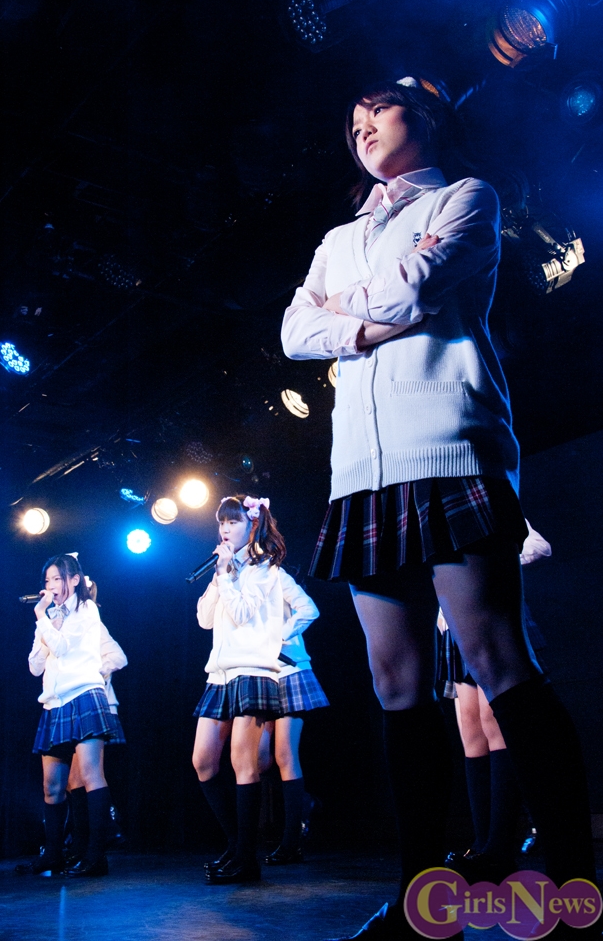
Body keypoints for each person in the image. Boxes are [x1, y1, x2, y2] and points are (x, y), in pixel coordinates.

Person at [281, 78, 597, 939]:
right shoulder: (337, 238)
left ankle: (575, 890)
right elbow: (292, 332)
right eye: (351, 120)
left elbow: (414, 289)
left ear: (423, 119)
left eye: (376, 111)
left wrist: (346, 311)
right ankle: (424, 901)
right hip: (360, 473)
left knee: (497, 660)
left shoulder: (466, 197)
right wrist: (360, 314)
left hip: (452, 449)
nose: (361, 128)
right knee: (394, 683)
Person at [192, 494, 325, 884]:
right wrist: (219, 576)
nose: (224, 529)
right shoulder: (226, 569)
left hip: (253, 671)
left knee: (248, 763)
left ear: (251, 526)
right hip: (220, 675)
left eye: (232, 522)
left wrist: (277, 639)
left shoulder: (265, 568)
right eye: (221, 522)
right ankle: (237, 845)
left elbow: (244, 612)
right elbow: (204, 619)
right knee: (203, 762)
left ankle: (247, 858)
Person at [442, 522, 550, 884]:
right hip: (451, 626)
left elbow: (538, 546)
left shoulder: (476, 504)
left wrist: (489, 563)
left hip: (486, 612)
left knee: (495, 727)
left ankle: (500, 846)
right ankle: (482, 844)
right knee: (471, 734)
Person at [16, 554, 124, 878]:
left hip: (84, 695)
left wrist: (43, 620)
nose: (51, 586)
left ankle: (96, 855)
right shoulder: (50, 616)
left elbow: (63, 648)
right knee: (52, 785)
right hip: (54, 702)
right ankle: (52, 854)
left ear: (74, 580)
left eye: (57, 579)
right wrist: (44, 625)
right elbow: (35, 666)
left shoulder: (87, 609)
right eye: (47, 580)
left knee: (90, 775)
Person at [257, 578, 329, 865]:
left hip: (288, 670)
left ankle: (291, 842)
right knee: (259, 761)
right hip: (258, 673)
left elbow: (309, 610)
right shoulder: (235, 581)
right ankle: (304, 801)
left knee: (285, 754)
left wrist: (278, 638)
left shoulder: (277, 576)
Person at [64, 578, 128, 869]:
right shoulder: (65, 625)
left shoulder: (93, 622)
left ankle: (96, 848)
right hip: (75, 706)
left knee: (88, 776)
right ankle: (81, 846)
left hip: (97, 705)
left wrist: (95, 673)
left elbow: (118, 657)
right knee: (73, 781)